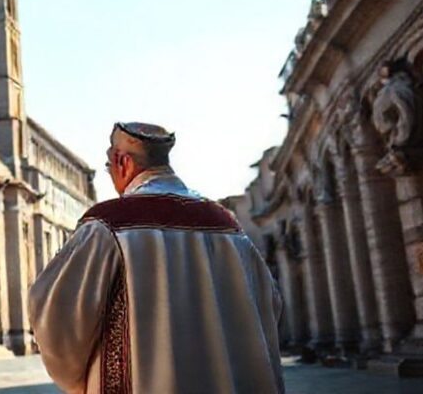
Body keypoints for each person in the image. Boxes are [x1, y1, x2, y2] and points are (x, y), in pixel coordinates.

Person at [29, 122, 283, 394]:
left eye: (108, 167)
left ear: (122, 161)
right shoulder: (228, 227)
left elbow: (56, 314)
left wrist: (79, 381)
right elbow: (271, 304)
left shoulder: (107, 226)